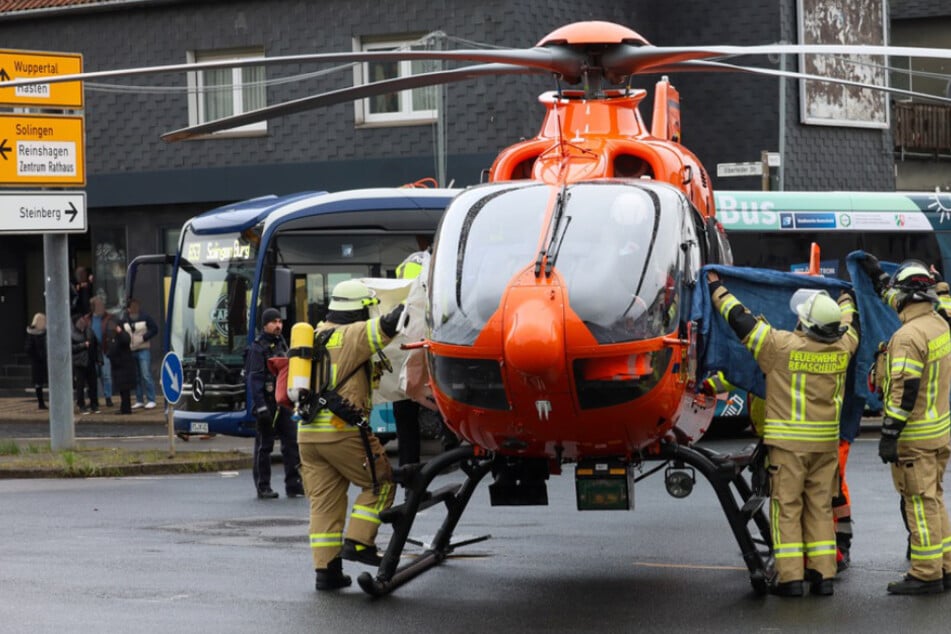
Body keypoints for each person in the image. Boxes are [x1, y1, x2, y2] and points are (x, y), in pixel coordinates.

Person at [708, 271, 859, 597]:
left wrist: (717, 290)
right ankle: (823, 577)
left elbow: (741, 320)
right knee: (818, 508)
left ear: (805, 323)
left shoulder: (779, 346)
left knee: (787, 507)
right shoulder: (843, 349)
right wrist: (847, 296)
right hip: (825, 449)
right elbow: (852, 323)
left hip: (789, 449)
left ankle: (790, 579)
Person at [299, 278, 404, 591]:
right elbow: (390, 323)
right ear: (360, 310)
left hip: (307, 435)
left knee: (324, 503)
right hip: (340, 430)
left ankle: (327, 572)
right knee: (381, 481)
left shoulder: (314, 335)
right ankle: (359, 541)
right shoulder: (354, 334)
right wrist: (418, 296)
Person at [862, 257, 951, 595]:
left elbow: (904, 391)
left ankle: (927, 573)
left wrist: (889, 435)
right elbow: (903, 297)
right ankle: (945, 565)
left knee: (919, 502)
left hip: (914, 439)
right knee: (935, 499)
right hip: (939, 433)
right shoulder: (939, 320)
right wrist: (881, 279)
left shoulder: (907, 337)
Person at [245, 306, 303, 500]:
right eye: (274, 322)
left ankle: (294, 485)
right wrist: (261, 407)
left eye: (280, 322)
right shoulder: (257, 347)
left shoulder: (282, 343)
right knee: (265, 446)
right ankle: (263, 487)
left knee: (291, 443)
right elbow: (255, 379)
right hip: (267, 403)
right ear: (265, 325)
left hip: (283, 402)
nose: (278, 325)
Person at [392, 251, 426, 466]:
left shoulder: (400, 306)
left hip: (406, 364)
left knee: (406, 423)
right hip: (428, 359)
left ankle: (409, 471)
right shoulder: (434, 269)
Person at [121, 298, 158, 409]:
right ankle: (139, 400)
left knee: (146, 374)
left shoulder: (145, 317)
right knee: (136, 376)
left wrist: (144, 337)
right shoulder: (125, 319)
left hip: (143, 349)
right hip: (132, 350)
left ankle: (151, 399)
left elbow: (154, 329)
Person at [89, 297, 117, 408]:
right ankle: (95, 398)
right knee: (95, 375)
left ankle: (108, 397)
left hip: (105, 349)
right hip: (93, 350)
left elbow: (113, 332)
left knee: (106, 375)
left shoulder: (108, 318)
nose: (101, 307)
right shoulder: (88, 319)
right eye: (98, 305)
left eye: (102, 305)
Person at [71, 314, 100, 414]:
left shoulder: (89, 331)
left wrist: (99, 359)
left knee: (93, 385)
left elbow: (97, 345)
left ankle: (94, 404)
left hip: (90, 362)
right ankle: (81, 405)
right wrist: (82, 345)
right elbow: (70, 348)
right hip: (79, 363)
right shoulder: (72, 334)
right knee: (80, 385)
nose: (82, 322)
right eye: (80, 321)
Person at [108, 323, 136, 415]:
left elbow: (126, 340)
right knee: (122, 390)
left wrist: (120, 332)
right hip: (118, 366)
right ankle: (124, 408)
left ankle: (126, 409)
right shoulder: (114, 337)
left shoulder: (123, 335)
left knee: (125, 390)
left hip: (124, 367)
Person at [25, 312, 48, 410]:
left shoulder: (46, 332)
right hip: (38, 362)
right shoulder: (31, 334)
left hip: (46, 361)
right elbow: (28, 349)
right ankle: (41, 402)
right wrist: (37, 356)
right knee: (39, 383)